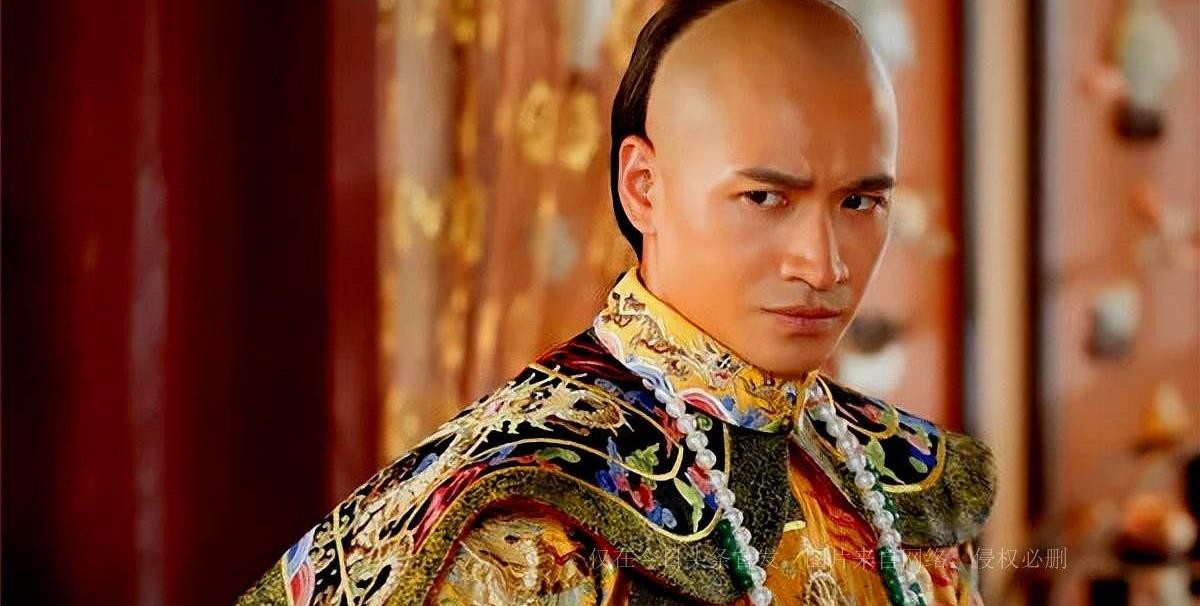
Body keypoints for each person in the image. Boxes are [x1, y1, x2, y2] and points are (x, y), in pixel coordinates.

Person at [238, 0, 995, 604]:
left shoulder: (904, 482)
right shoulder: (525, 516)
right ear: (643, 187)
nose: (823, 265)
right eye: (765, 198)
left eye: (860, 202)